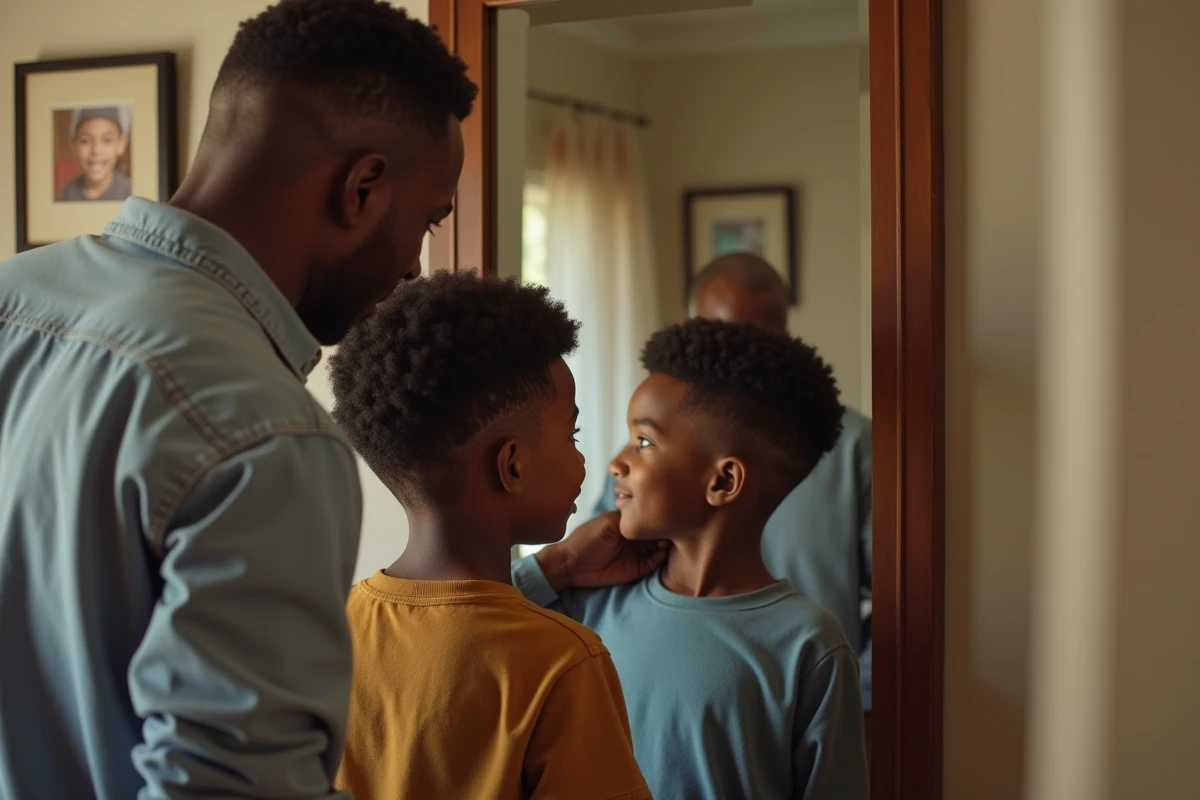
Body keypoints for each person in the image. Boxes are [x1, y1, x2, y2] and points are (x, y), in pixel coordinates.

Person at [0, 2, 474, 798]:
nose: (416, 271)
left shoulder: (10, 298)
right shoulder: (267, 435)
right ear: (362, 188)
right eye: (426, 224)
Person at [326, 273, 652, 800]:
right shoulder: (560, 661)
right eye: (570, 435)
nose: (586, 458)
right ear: (513, 466)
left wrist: (558, 567)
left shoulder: (330, 631)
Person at [513, 318, 869, 799]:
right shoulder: (589, 602)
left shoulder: (810, 647)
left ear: (722, 482)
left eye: (644, 441)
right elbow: (471, 628)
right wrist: (557, 564)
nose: (617, 462)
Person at [592, 252, 874, 712]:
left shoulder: (853, 448)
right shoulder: (652, 463)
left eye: (766, 341)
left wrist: (853, 701)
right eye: (725, 339)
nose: (746, 360)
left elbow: (901, 596)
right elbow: (599, 568)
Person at [58, 106, 133, 202]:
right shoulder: (66, 195)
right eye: (85, 141)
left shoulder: (131, 194)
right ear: (73, 145)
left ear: (121, 144)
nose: (96, 150)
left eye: (107, 140)